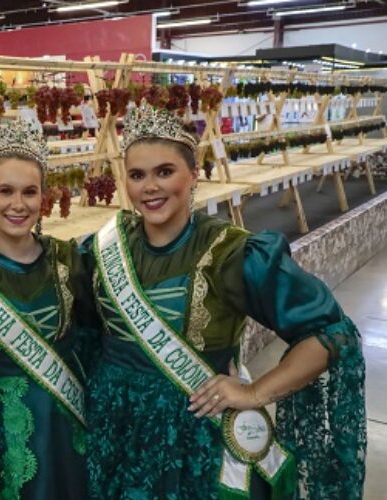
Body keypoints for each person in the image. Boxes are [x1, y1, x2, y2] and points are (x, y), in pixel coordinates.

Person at [81, 100, 366, 499]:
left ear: (193, 174)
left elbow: (331, 333)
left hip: (194, 430)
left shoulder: (232, 253)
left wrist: (253, 393)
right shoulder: (103, 247)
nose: (150, 187)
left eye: (165, 172)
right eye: (137, 175)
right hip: (115, 423)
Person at [0, 120, 89, 500]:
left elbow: (97, 333)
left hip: (68, 420)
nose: (18, 204)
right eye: (5, 191)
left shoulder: (69, 259)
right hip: (1, 427)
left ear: (43, 197)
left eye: (29, 192)